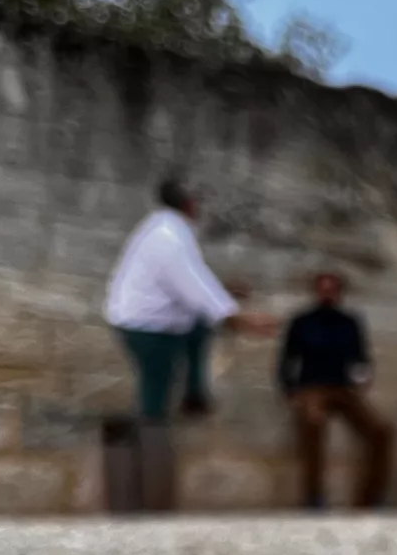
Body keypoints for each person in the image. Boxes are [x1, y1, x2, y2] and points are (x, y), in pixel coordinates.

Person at [104, 180, 275, 420]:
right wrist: (236, 317)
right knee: (156, 390)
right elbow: (189, 282)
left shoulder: (164, 225)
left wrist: (223, 293)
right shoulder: (169, 237)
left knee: (199, 327)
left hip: (146, 316)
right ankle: (151, 441)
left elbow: (191, 277)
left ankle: (194, 394)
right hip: (148, 326)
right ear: (189, 204)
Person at [279, 271, 395, 510]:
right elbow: (287, 360)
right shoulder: (303, 322)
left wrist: (363, 375)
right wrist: (290, 390)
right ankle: (314, 496)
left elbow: (361, 357)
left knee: (381, 430)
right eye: (323, 288)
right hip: (312, 387)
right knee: (313, 423)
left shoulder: (349, 322)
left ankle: (370, 498)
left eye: (332, 289)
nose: (328, 293)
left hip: (344, 388)